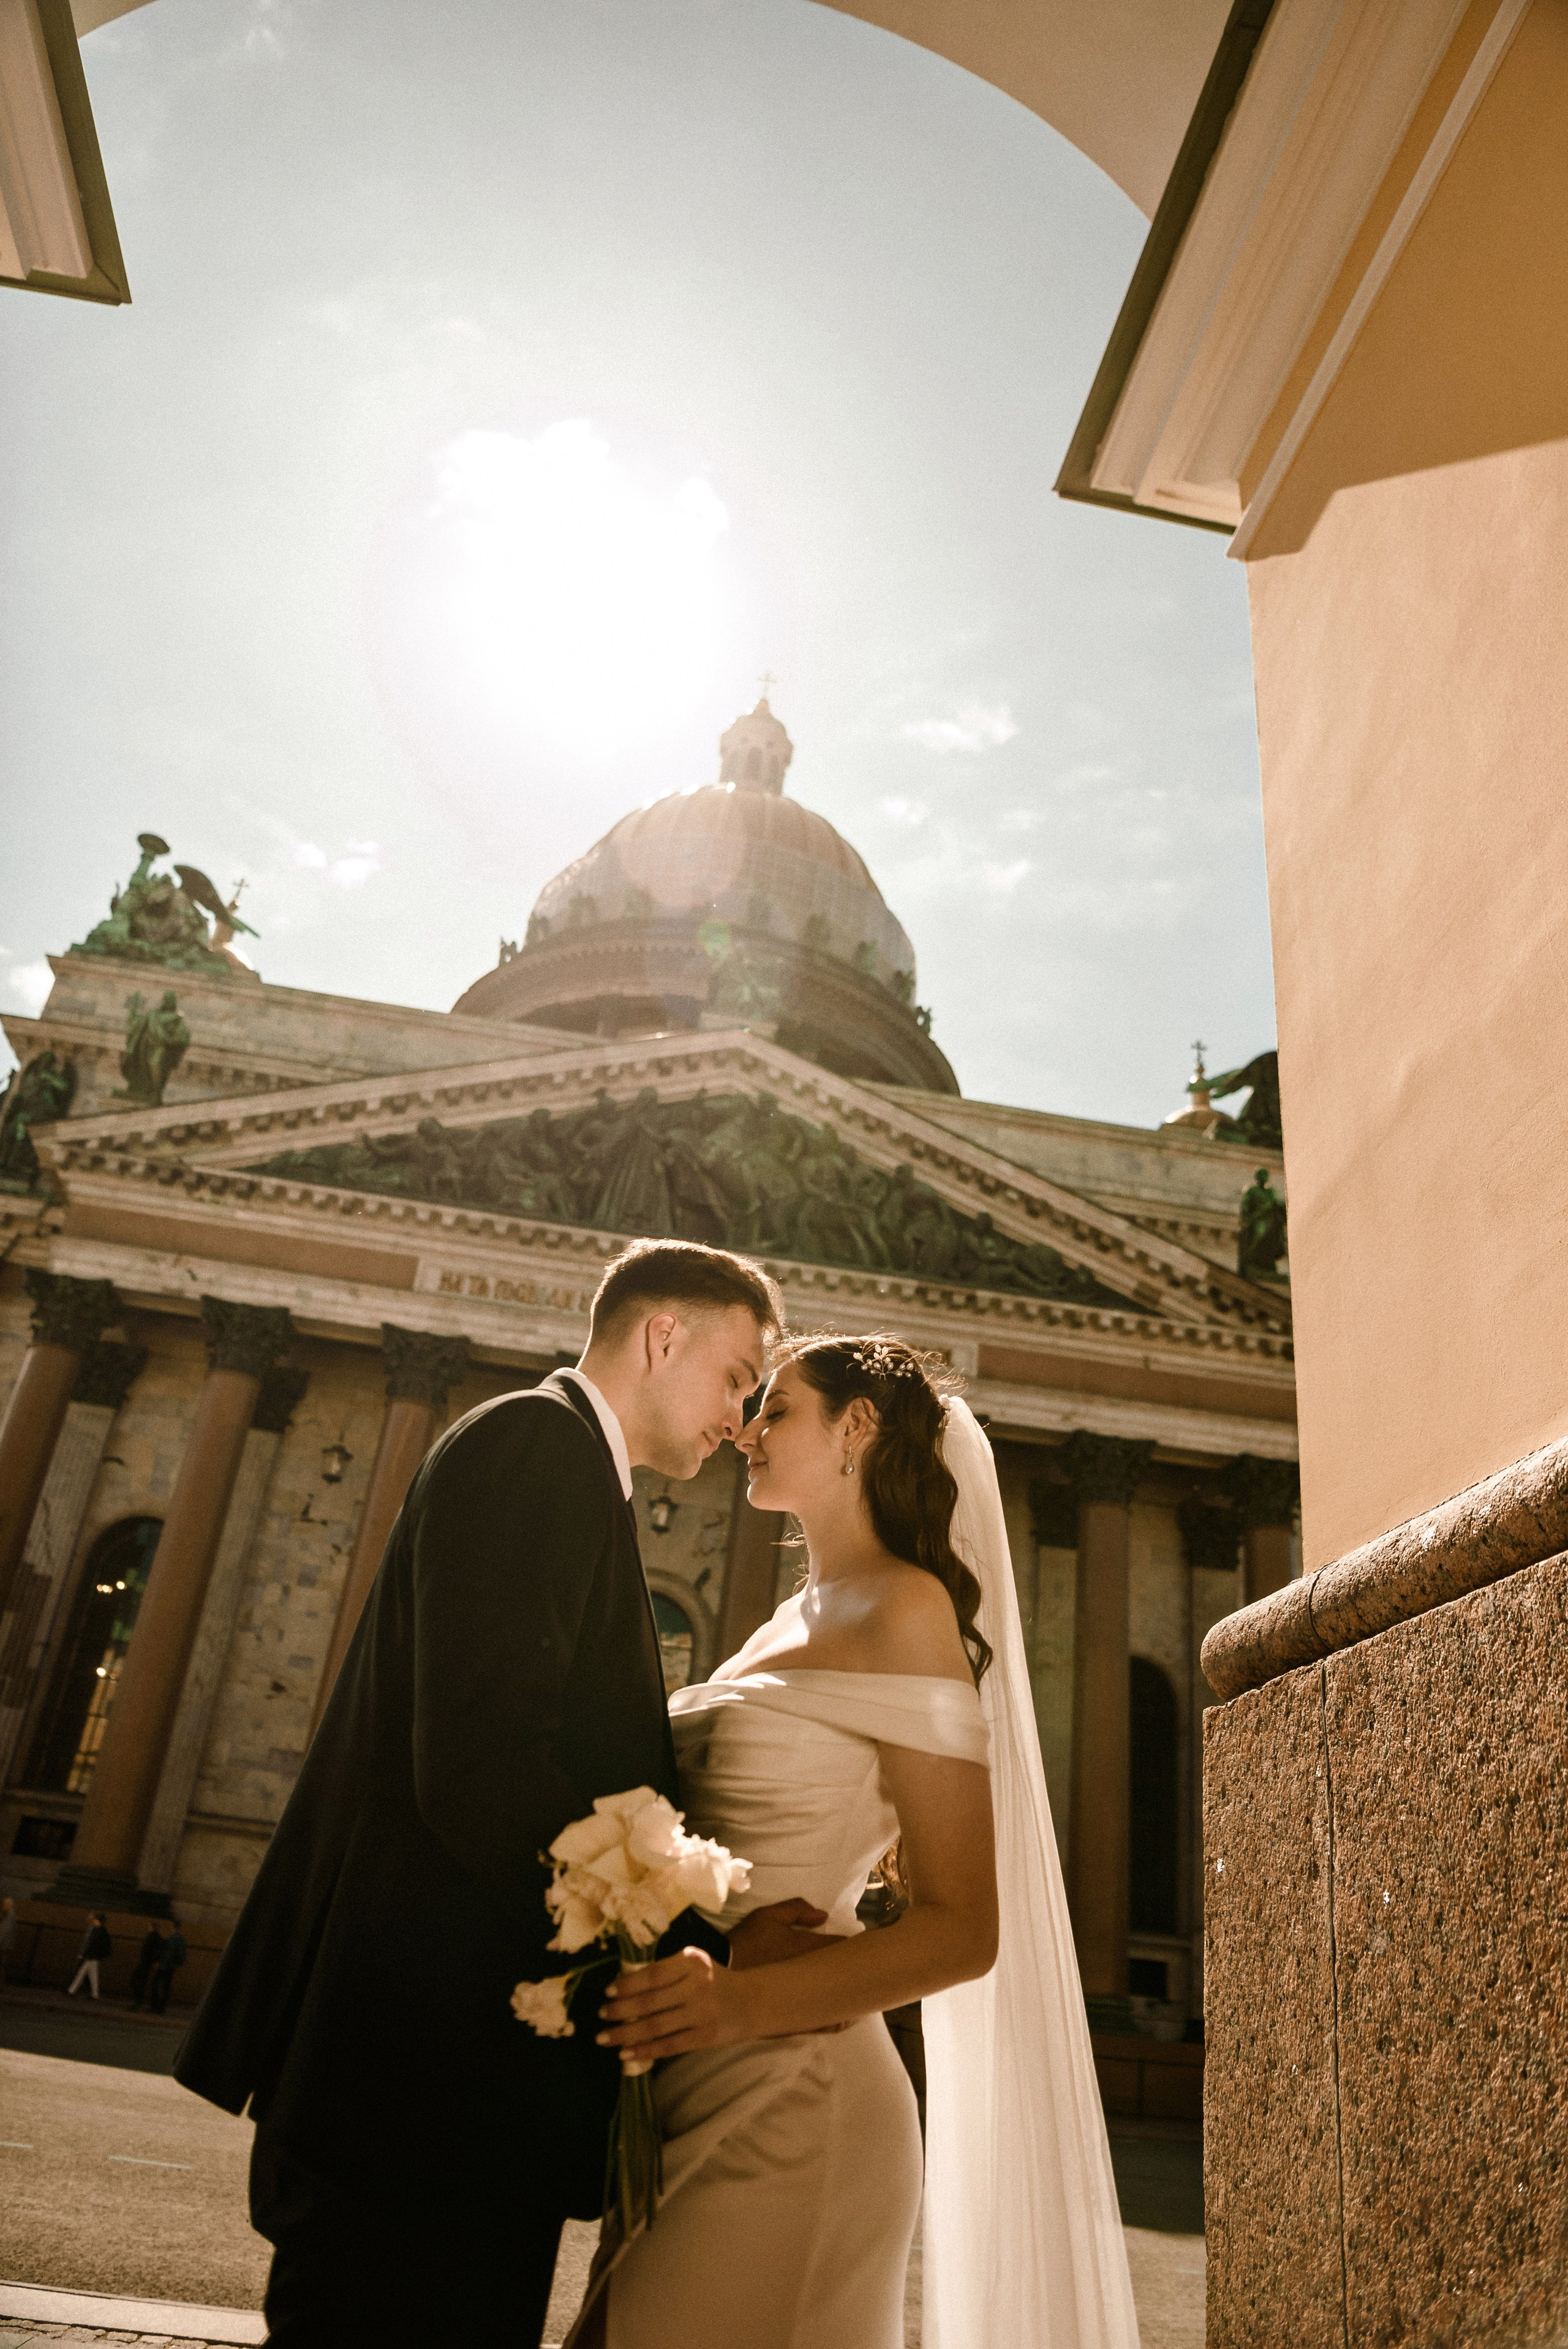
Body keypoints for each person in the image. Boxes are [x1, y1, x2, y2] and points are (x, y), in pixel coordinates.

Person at [176, 1239, 830, 2349]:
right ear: (661, 1335)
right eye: (735, 1378)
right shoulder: (537, 1446)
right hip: (420, 2095)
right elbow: (484, 1768)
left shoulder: (559, 1459)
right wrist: (701, 1943)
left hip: (438, 2095)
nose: (740, 1418)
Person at [573, 1335, 1142, 2349]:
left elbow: (963, 1928)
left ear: (857, 1427)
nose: (746, 1429)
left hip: (797, 2086)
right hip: (688, 2067)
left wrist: (738, 2001)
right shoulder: (784, 1619)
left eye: (778, 1408)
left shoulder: (905, 1606)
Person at [67, 1914, 111, 1999]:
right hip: (94, 1956)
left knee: (84, 1974)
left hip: (91, 1956)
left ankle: (72, 1991)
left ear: (97, 1920)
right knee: (90, 1975)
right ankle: (92, 1994)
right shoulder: (102, 1931)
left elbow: (89, 1943)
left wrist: (83, 1953)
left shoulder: (96, 1930)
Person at [148, 1925, 187, 2013]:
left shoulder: (173, 1938)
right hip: (172, 1966)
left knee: (156, 1983)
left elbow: (169, 1953)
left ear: (172, 1927)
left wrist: (162, 1964)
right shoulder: (181, 1940)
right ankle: (161, 2007)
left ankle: (155, 2006)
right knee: (166, 1986)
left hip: (166, 1965)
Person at [128, 1924, 167, 2009]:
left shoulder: (152, 1937)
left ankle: (138, 2001)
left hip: (146, 1963)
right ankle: (139, 2001)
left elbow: (147, 1951)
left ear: (152, 1927)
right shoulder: (158, 1938)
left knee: (135, 1980)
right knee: (142, 1982)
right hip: (148, 1963)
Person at [0, 1895, 17, 1984]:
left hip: (4, 1944)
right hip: (5, 1944)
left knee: (2, 1963)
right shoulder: (11, 1915)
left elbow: (5, 1930)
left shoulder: (9, 1916)